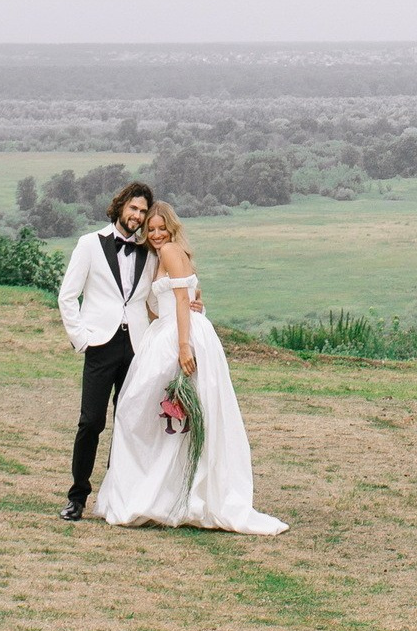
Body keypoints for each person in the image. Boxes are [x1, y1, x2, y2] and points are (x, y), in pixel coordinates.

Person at [98, 201, 288, 534]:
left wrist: (183, 346)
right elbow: (168, 304)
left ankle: (178, 495)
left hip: (180, 337)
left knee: (161, 413)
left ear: (171, 229)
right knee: (160, 416)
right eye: (151, 229)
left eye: (162, 229)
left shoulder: (171, 251)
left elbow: (184, 301)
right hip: (168, 331)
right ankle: (167, 492)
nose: (156, 235)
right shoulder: (158, 257)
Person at [55, 181, 158, 522]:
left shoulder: (149, 253)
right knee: (91, 422)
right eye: (133, 208)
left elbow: (153, 301)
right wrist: (82, 338)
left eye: (143, 211)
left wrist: (190, 304)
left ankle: (117, 496)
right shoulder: (89, 244)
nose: (138, 216)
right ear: (120, 206)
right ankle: (77, 497)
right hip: (100, 345)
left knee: (128, 424)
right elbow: (67, 296)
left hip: (136, 349)